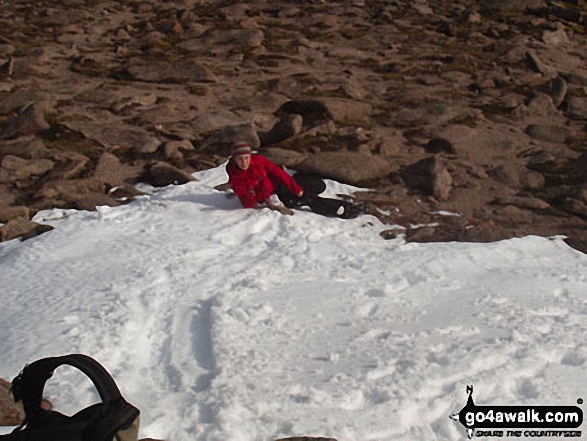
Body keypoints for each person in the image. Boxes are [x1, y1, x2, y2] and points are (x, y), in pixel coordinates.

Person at [226, 141, 303, 213]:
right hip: (261, 198)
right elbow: (247, 201)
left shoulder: (258, 160)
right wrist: (266, 201)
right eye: (240, 159)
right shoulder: (234, 175)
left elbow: (278, 172)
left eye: (246, 157)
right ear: (234, 160)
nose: (244, 162)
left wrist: (295, 188)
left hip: (274, 187)